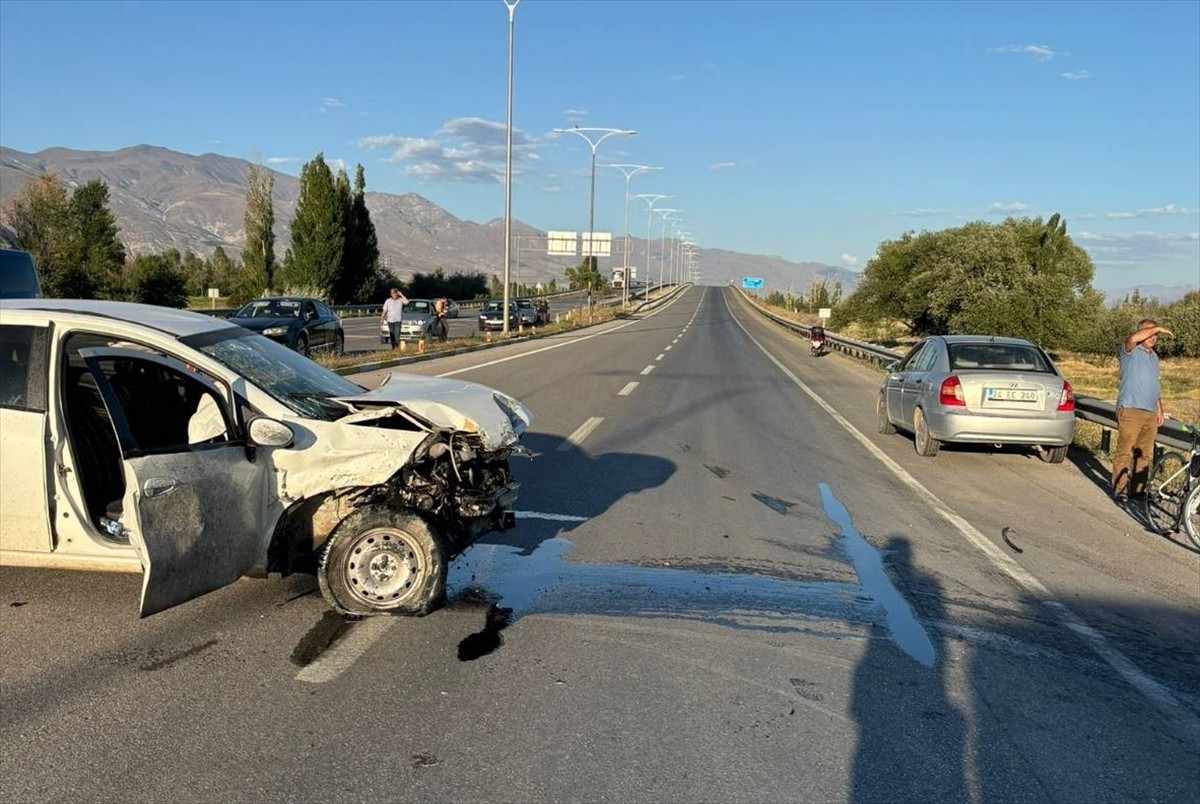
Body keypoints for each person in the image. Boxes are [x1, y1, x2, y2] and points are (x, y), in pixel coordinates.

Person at [1111, 319, 1173, 502]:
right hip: (1131, 409)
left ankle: (1137, 490)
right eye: (1149, 332)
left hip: (1149, 411)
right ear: (1140, 333)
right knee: (1124, 451)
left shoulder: (1154, 357)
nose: (1153, 337)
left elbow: (1154, 385)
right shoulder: (1130, 351)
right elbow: (1133, 339)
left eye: (1156, 334)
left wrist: (1159, 409)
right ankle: (1120, 489)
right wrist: (1158, 327)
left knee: (1143, 453)